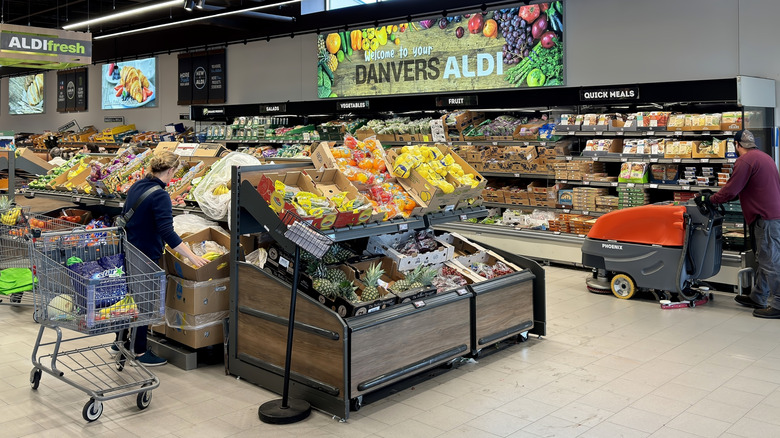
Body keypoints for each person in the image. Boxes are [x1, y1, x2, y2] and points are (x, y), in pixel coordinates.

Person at [115, 151, 209, 365]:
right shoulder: (160, 194)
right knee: (145, 301)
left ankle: (119, 342)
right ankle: (139, 351)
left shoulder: (138, 186)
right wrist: (192, 257)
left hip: (129, 248)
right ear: (171, 170)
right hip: (146, 253)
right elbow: (167, 231)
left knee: (130, 297)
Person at [707, 130, 780, 318]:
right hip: (772, 216)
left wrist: (710, 199)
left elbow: (731, 190)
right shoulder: (765, 157)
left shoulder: (744, 161)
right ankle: (758, 297)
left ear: (736, 144)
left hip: (766, 218)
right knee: (766, 257)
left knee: (770, 260)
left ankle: (779, 304)